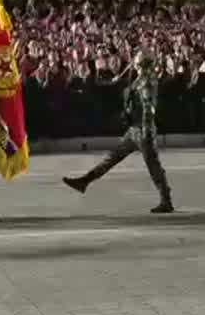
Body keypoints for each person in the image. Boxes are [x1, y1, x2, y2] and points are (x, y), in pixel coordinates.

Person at [62, 51, 174, 213]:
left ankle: (166, 200)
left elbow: (149, 108)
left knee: (153, 167)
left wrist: (146, 130)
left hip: (142, 130)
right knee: (112, 157)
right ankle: (85, 181)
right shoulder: (140, 80)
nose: (134, 65)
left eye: (137, 63)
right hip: (134, 130)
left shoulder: (146, 83)